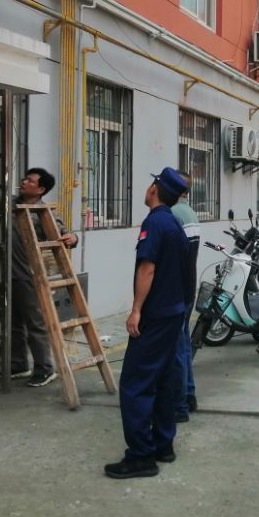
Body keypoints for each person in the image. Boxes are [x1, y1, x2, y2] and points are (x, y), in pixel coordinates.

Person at [105, 167, 191, 480]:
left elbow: (147, 268)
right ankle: (163, 444)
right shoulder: (173, 221)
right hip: (173, 312)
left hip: (155, 315)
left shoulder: (155, 222)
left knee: (136, 383)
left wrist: (136, 310)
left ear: (154, 188)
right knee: (164, 380)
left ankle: (141, 456)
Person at [11, 168, 78, 387]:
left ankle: (44, 368)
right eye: (24, 179)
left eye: (29, 181)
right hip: (6, 273)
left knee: (35, 324)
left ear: (40, 189)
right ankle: (18, 364)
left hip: (30, 275)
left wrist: (73, 237)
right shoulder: (10, 204)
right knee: (12, 323)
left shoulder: (43, 212)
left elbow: (62, 233)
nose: (24, 182)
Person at [171, 172, 201, 422]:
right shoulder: (189, 212)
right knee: (183, 343)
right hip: (188, 287)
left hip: (177, 290)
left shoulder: (173, 214)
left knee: (177, 348)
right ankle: (189, 394)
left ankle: (179, 403)